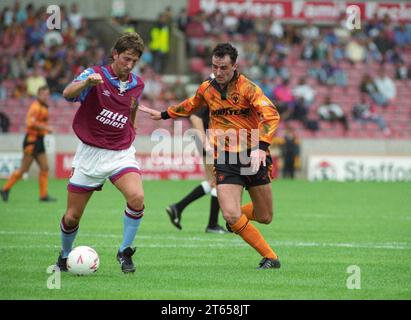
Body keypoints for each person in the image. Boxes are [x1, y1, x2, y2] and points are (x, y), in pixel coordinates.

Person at [140, 43, 281, 269]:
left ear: (235, 66)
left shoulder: (248, 88)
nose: (218, 72)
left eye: (224, 67)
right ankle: (271, 258)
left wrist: (260, 147)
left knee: (265, 216)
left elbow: (271, 115)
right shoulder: (207, 88)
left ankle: (237, 220)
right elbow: (191, 105)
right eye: (215, 66)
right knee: (231, 215)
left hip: (252, 156)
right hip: (225, 158)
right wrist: (165, 114)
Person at [56, 33, 146, 274]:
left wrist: (133, 125)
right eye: (126, 59)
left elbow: (132, 106)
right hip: (90, 154)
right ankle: (64, 256)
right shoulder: (94, 75)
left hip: (120, 152)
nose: (129, 65)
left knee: (137, 198)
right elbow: (67, 93)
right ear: (115, 54)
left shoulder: (137, 84)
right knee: (72, 216)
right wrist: (86, 83)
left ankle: (125, 251)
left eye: (134, 61)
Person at [166, 107, 228, 234]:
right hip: (209, 140)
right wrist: (206, 142)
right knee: (218, 181)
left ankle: (178, 207)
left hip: (209, 139)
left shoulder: (210, 93)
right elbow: (194, 117)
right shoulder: (209, 93)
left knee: (212, 181)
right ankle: (212, 224)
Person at [1, 86, 55, 202]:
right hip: (32, 140)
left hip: (39, 140)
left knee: (45, 168)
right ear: (38, 94)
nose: (46, 96)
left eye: (47, 94)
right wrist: (46, 128)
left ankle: (43, 195)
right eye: (43, 94)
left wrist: (44, 129)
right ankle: (5, 189)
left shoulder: (44, 107)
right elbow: (30, 123)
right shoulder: (35, 107)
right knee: (23, 170)